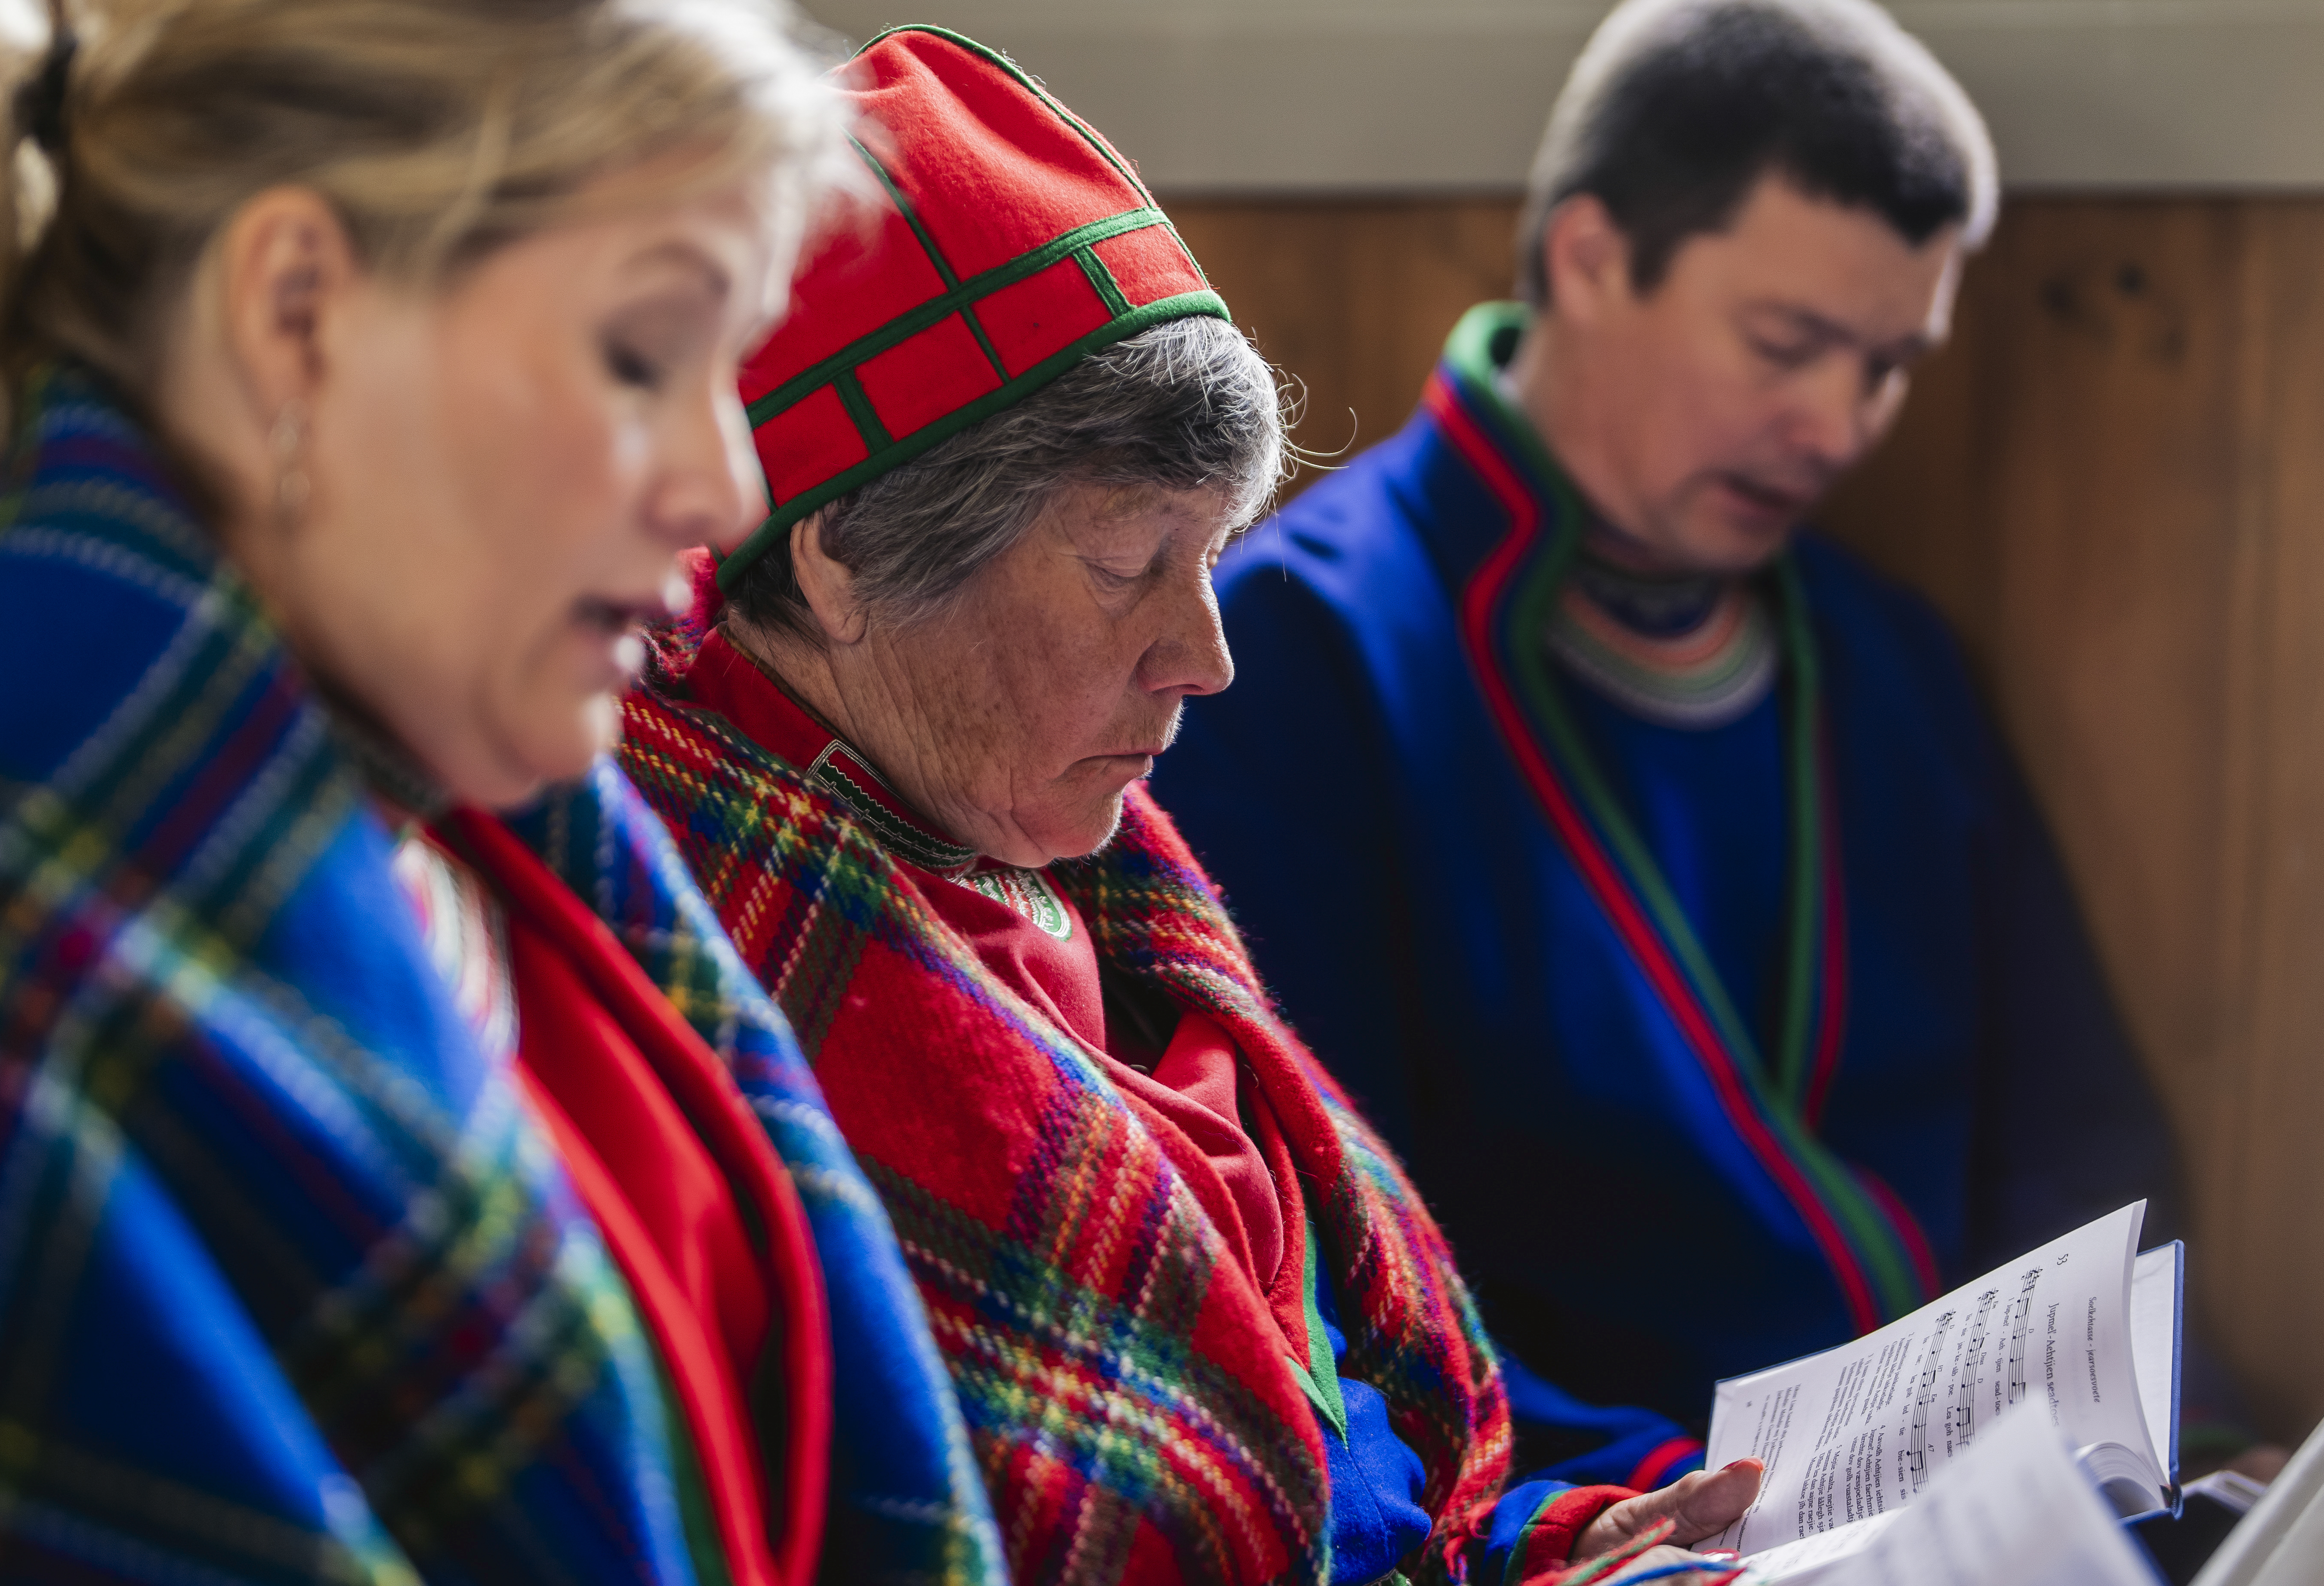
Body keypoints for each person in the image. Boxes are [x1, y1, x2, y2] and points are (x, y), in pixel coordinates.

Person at [620, 25, 1763, 1586]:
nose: (1209, 657)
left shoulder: (1056, 844)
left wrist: (1542, 1546)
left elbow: (1352, 1460)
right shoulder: (716, 950)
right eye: (1123, 565)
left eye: (1210, 556)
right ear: (838, 564)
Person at [0, 1, 1004, 1580]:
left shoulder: (501, 809)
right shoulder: (6, 939)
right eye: (641, 353)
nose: (729, 491)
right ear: (296, 313)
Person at [1153, 0, 2245, 1460]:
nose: (1837, 427)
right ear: (1590, 260)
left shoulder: (1886, 660)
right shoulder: (1292, 653)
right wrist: (1657, 1515)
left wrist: (2192, 1442)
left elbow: (2075, 1146)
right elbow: (1327, 1272)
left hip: (1993, 1497)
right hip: (1591, 1511)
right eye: (1784, 345)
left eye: (1887, 364)